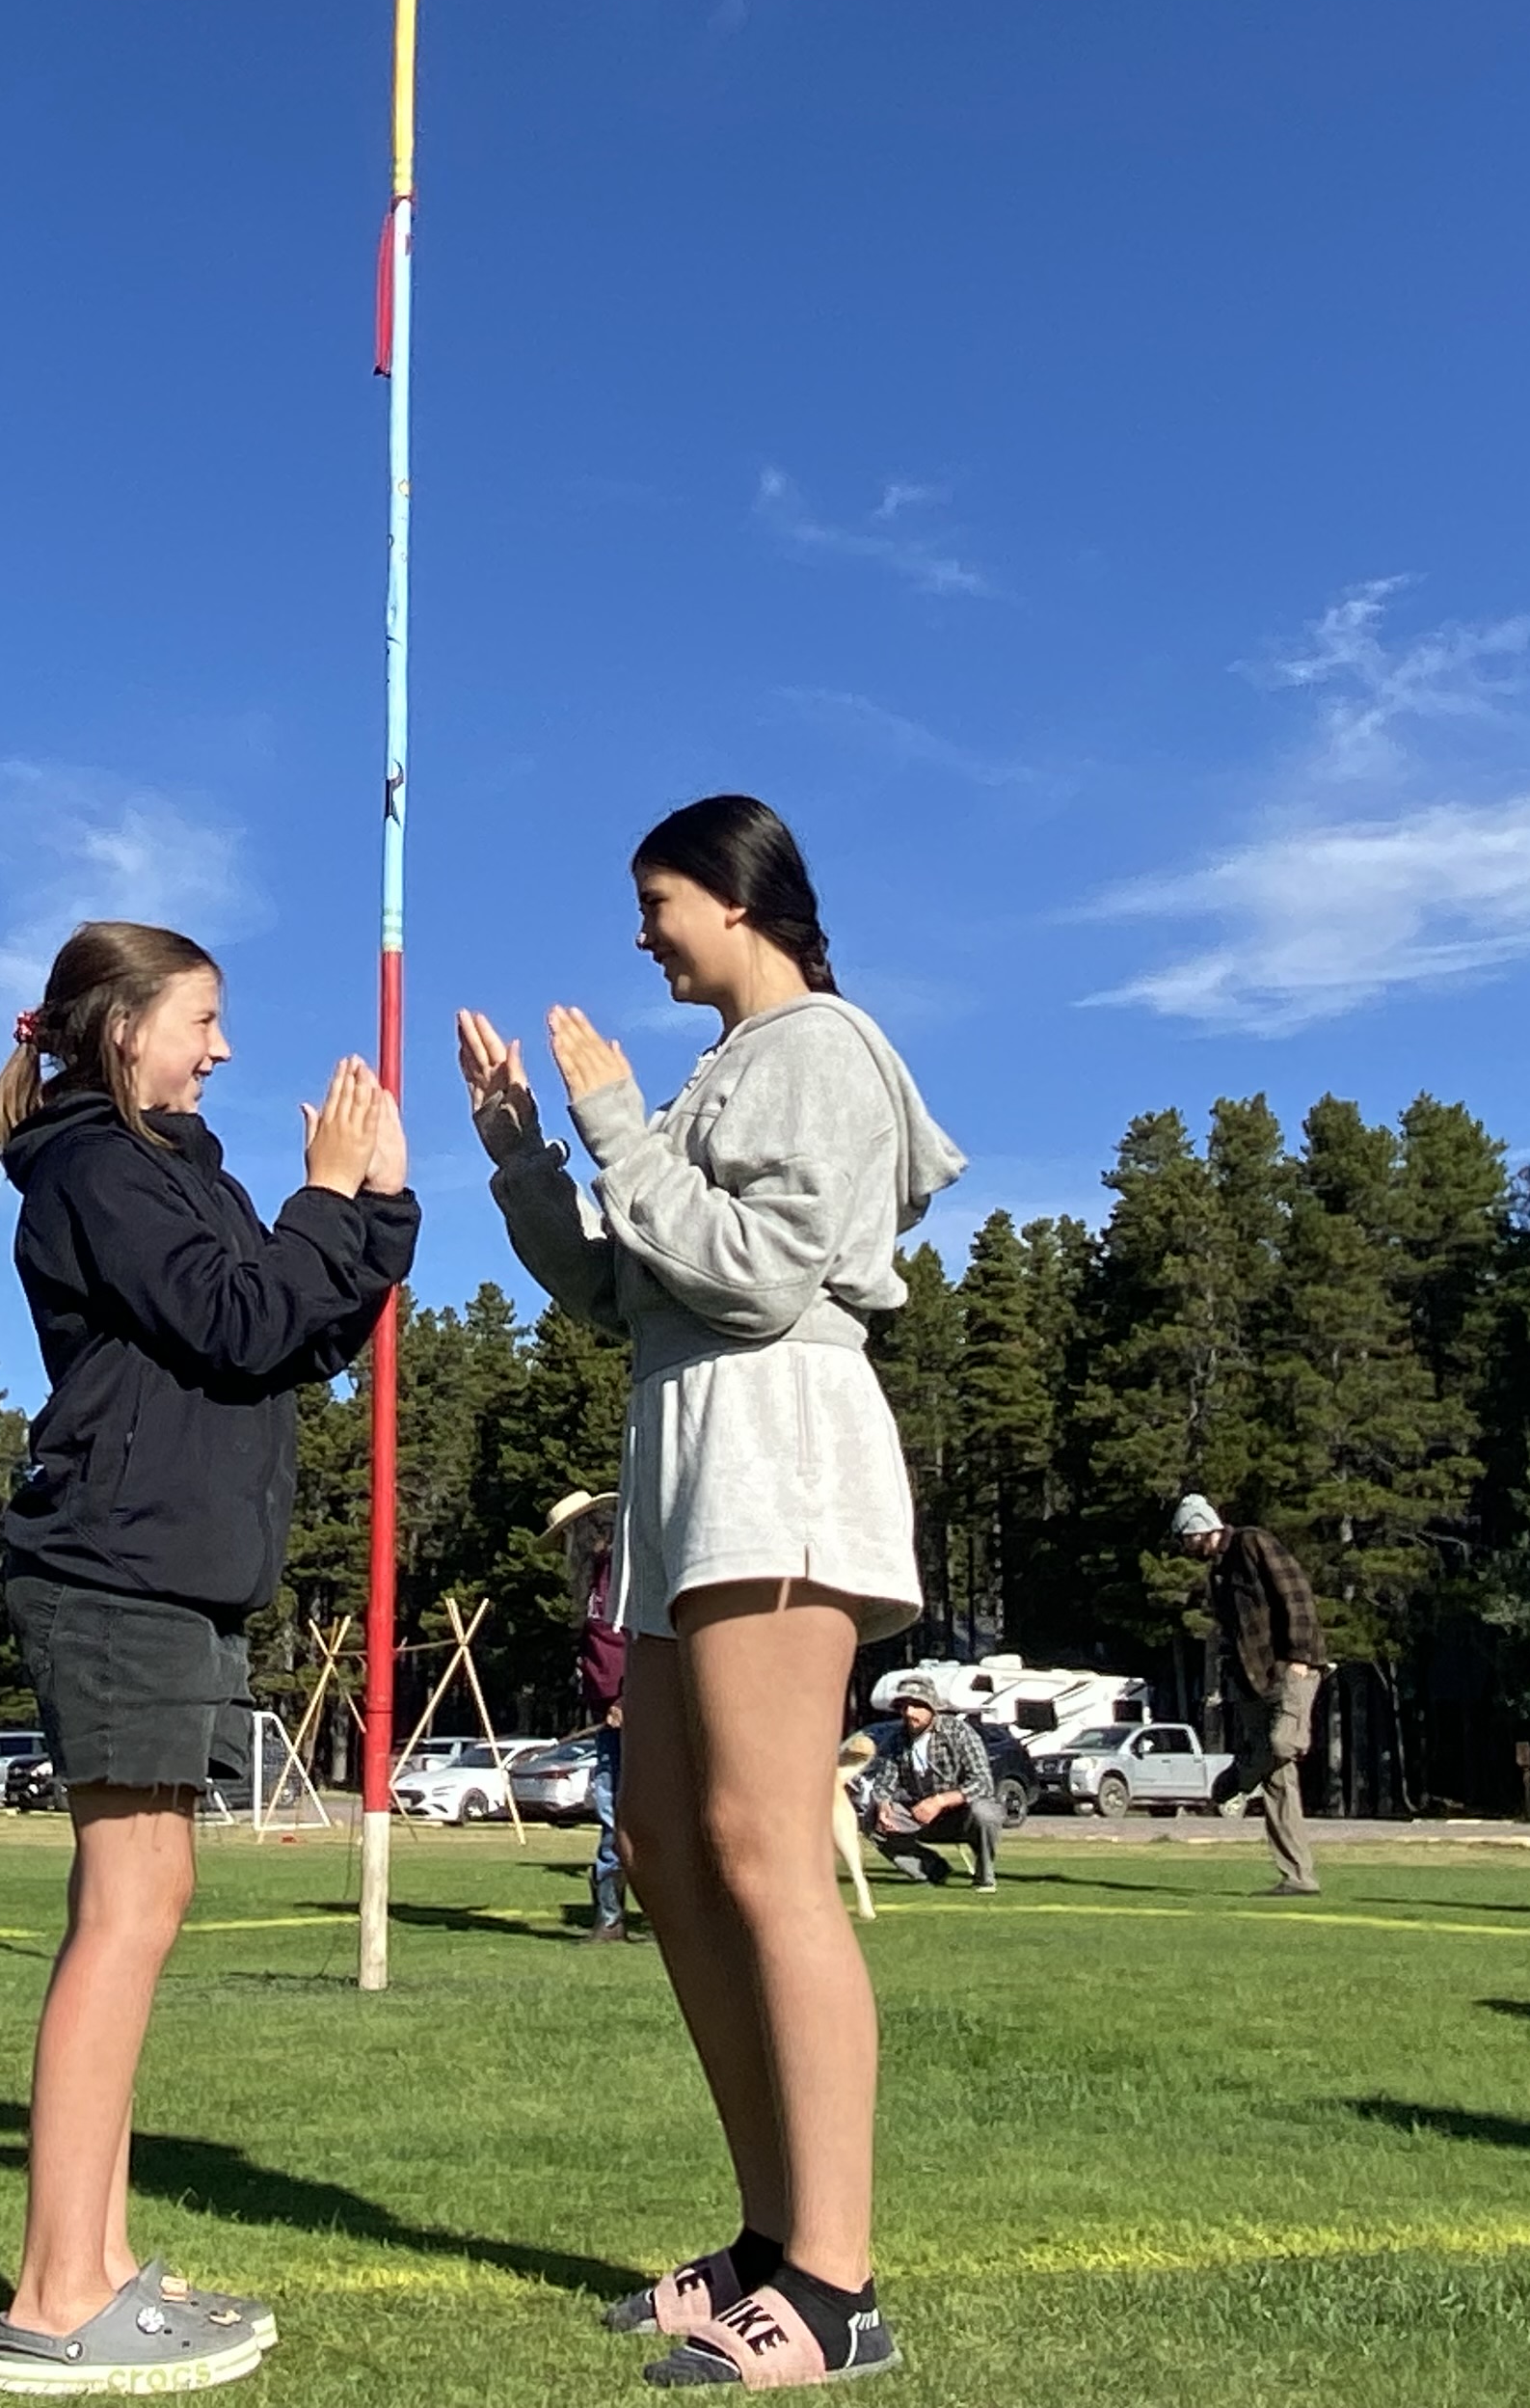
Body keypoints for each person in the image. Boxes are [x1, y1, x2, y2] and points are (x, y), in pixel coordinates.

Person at [468, 793, 961, 2390]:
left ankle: (836, 2278)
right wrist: (528, 1152)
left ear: (737, 897)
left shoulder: (821, 1043)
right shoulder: (716, 1074)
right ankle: (767, 2235)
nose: (638, 931)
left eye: (655, 899)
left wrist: (614, 1125)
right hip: (687, 1458)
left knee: (762, 1847)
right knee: (670, 1849)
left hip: (775, 1444)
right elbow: (626, 1282)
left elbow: (754, 1277)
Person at [0, 921, 413, 2395]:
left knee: (144, 1900)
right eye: (203, 1019)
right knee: (127, 1911)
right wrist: (321, 1194)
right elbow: (240, 1317)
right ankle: (58, 2296)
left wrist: (380, 1199)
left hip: (170, 1574)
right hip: (112, 1568)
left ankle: (96, 2271)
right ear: (123, 1028)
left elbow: (300, 1334)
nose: (222, 1047)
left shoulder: (186, 1169)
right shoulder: (98, 1168)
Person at [1172, 1494, 1326, 1897]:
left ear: (1200, 1529)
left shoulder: (1253, 1543)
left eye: (1185, 1538)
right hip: (1253, 1681)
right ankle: (1298, 1876)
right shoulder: (1218, 1573)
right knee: (1279, 1781)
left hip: (1291, 1669)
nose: (1184, 1547)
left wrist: (1300, 1657)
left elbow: (1297, 1595)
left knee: (1283, 1743)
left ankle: (1238, 1777)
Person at [547, 1487, 632, 1940]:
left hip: (634, 1710)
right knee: (610, 1804)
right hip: (607, 1712)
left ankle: (616, 1915)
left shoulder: (627, 1573)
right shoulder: (598, 1575)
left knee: (621, 1806)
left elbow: (640, 1640)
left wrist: (628, 1698)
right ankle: (609, 1914)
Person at [868, 1678, 1000, 1892]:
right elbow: (883, 1786)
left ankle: (985, 1875)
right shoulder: (896, 1740)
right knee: (870, 1816)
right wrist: (883, 1806)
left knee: (986, 1812)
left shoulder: (958, 1732)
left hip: (962, 1816)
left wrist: (939, 1801)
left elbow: (983, 1783)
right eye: (904, 1706)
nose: (909, 1712)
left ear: (932, 1707)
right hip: (918, 1816)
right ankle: (931, 1869)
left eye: (917, 1705)